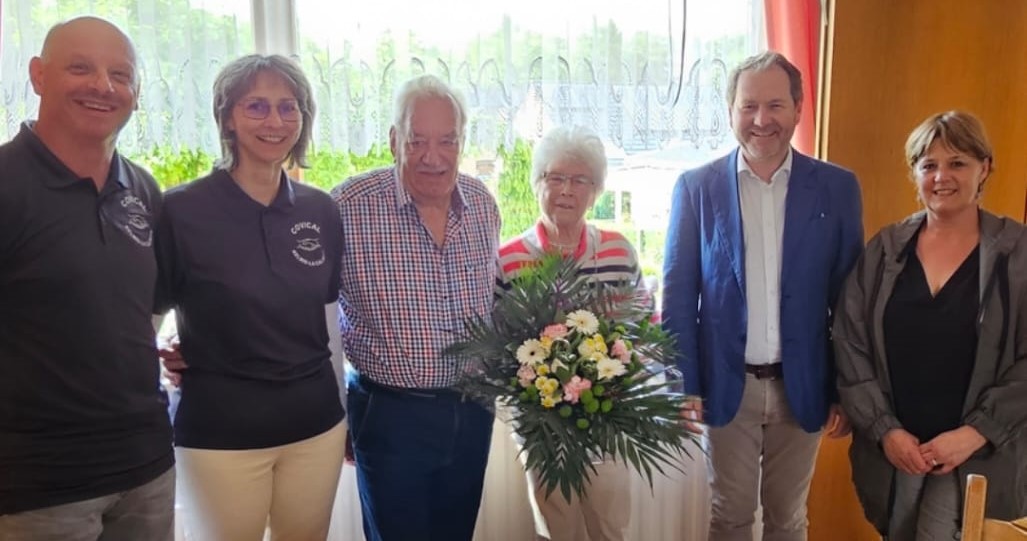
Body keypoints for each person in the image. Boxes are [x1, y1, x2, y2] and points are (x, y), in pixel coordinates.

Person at [661, 50, 864, 540]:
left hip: (806, 385)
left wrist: (845, 388)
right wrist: (682, 383)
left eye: (775, 105)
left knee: (788, 518)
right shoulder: (696, 188)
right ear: (731, 111)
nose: (761, 120)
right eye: (748, 106)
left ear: (797, 108)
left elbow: (851, 299)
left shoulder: (837, 188)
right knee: (729, 516)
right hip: (727, 384)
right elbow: (679, 293)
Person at [153, 54, 346, 540]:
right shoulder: (180, 210)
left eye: (288, 107)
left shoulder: (320, 209)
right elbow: (145, 318)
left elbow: (327, 323)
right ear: (228, 117)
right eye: (256, 106)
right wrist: (156, 366)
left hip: (316, 428)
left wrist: (346, 410)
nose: (275, 121)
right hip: (220, 435)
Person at [0, 16, 175, 540]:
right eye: (81, 68)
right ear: (38, 75)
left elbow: (148, 306)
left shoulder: (143, 189)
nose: (103, 85)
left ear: (136, 94)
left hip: (147, 465)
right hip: (40, 484)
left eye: (120, 75)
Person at [833, 111, 1027, 539]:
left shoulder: (1017, 254)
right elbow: (850, 343)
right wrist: (885, 430)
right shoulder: (885, 250)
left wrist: (975, 433)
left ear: (985, 168)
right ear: (914, 173)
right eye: (929, 165)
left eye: (957, 163)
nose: (942, 176)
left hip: (977, 452)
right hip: (898, 449)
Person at [330, 74, 500, 541]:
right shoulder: (347, 206)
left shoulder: (483, 204)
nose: (433, 155)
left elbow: (494, 301)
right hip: (389, 414)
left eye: (448, 140)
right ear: (393, 140)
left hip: (471, 411)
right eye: (417, 139)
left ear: (462, 142)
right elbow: (309, 311)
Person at [497, 125, 642, 541]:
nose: (566, 189)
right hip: (543, 424)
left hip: (608, 420)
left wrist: (626, 382)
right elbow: (497, 344)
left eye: (579, 180)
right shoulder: (509, 258)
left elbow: (644, 324)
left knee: (610, 527)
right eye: (554, 177)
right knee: (555, 530)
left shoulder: (618, 250)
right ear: (537, 182)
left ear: (595, 190)